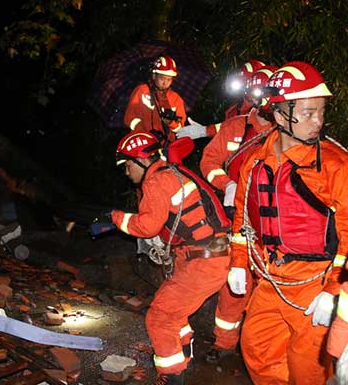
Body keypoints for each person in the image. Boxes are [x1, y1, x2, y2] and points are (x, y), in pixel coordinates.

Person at [226, 61, 348, 384]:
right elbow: (242, 221)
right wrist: (238, 263)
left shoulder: (335, 166)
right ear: (281, 116)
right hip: (270, 280)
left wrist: (334, 290)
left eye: (321, 112)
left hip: (315, 283)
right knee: (256, 348)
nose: (318, 121)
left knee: (306, 367)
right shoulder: (254, 163)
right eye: (308, 113)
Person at [110, 130, 231, 384]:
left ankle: (172, 376)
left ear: (140, 160)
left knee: (159, 317)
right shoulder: (175, 171)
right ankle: (183, 361)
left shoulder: (156, 181)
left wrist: (115, 218)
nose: (126, 172)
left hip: (203, 261)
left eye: (127, 165)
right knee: (175, 314)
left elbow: (147, 226)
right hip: (212, 255)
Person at [198, 65, 277, 363]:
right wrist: (226, 183)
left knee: (269, 284)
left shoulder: (285, 134)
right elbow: (208, 161)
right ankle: (225, 342)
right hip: (234, 217)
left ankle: (261, 349)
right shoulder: (235, 127)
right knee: (235, 280)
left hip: (271, 221)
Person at [176, 59, 266, 140]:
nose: (244, 89)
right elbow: (226, 126)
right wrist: (205, 130)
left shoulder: (263, 111)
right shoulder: (235, 106)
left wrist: (205, 131)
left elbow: (239, 127)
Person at [123, 55, 187, 144]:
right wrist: (146, 134)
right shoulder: (142, 91)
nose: (165, 83)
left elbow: (180, 128)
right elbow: (129, 119)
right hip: (142, 144)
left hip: (165, 147)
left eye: (169, 79)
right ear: (154, 76)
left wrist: (170, 123)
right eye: (162, 78)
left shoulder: (176, 99)